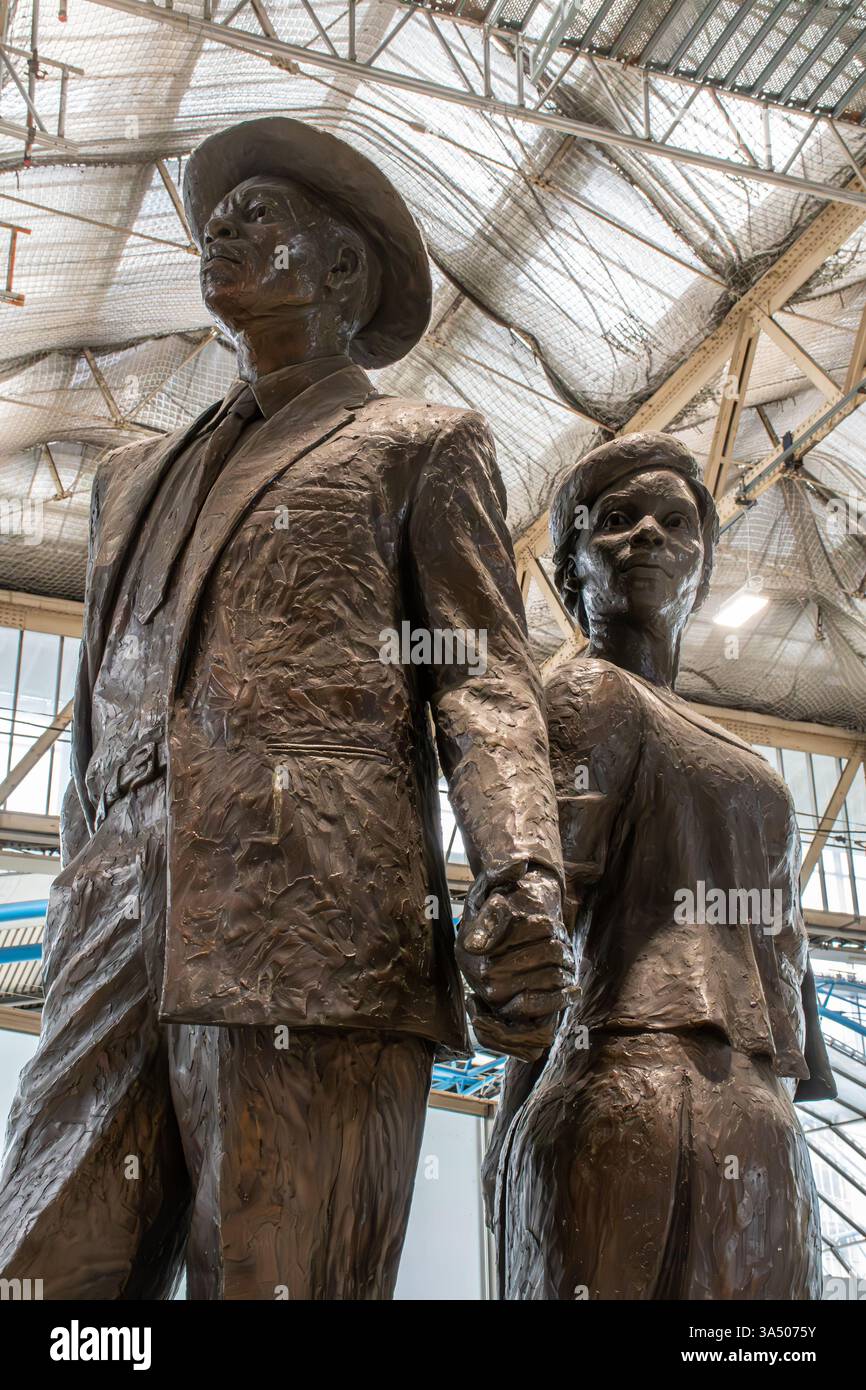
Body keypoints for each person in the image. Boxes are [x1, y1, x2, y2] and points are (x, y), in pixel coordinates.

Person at [0, 117, 573, 1300]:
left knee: (277, 1280)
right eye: (217, 214)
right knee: (45, 1277)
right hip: (112, 927)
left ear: (343, 271)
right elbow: (102, 731)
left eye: (260, 213)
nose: (221, 225)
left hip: (313, 923)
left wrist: (518, 873)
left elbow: (479, 675)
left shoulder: (414, 444)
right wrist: (72, 915)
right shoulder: (128, 481)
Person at [483, 431, 836, 1301]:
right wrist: (509, 1118)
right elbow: (541, 915)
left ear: (704, 567)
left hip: (753, 1111)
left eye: (675, 522)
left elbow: (786, 975)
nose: (647, 534)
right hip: (628, 1075)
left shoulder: (744, 761)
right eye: (615, 519)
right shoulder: (586, 694)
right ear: (572, 568)